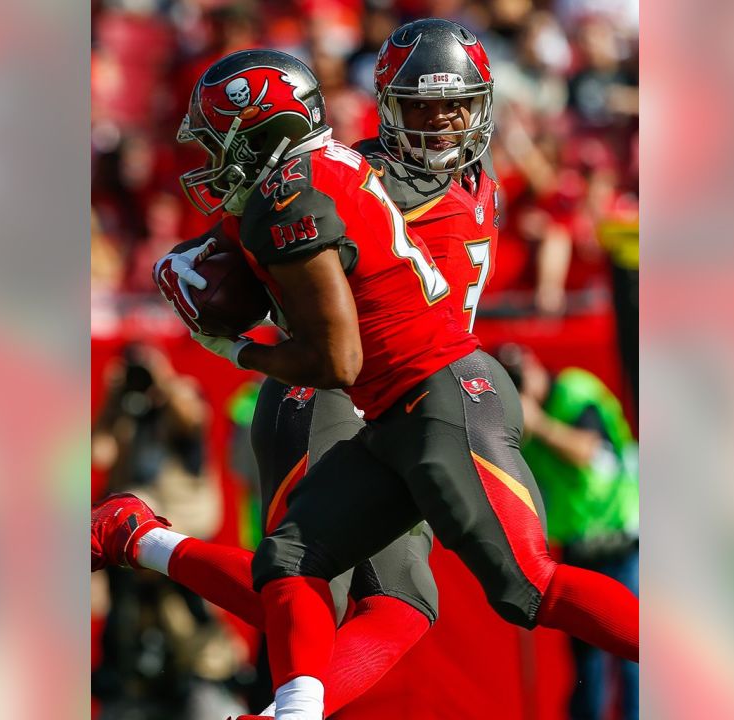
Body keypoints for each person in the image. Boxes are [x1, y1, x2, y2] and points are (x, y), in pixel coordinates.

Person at [102, 45, 637, 720]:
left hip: (405, 387)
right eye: (421, 106)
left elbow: (330, 323)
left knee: (489, 591)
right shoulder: (351, 172)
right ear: (386, 107)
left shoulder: (338, 183)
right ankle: (281, 704)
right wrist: (223, 256)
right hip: (358, 396)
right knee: (300, 569)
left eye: (456, 106)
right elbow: (297, 268)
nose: (441, 124)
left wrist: (233, 332)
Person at [496, 343, 640, 720]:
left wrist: (539, 424)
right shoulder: (517, 423)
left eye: (521, 379)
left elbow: (589, 452)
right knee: (587, 666)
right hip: (578, 550)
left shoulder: (575, 392)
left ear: (535, 368)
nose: (521, 390)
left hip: (622, 543)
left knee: (635, 659)